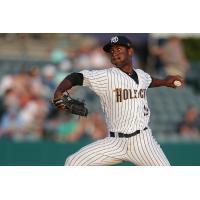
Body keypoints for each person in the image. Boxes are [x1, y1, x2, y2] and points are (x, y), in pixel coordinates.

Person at [53, 35, 184, 166]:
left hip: (142, 141)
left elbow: (150, 81)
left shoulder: (141, 75)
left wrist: (166, 81)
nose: (114, 53)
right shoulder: (107, 76)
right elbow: (76, 77)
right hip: (115, 142)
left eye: (119, 49)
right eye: (112, 51)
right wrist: (59, 92)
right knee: (73, 162)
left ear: (130, 51)